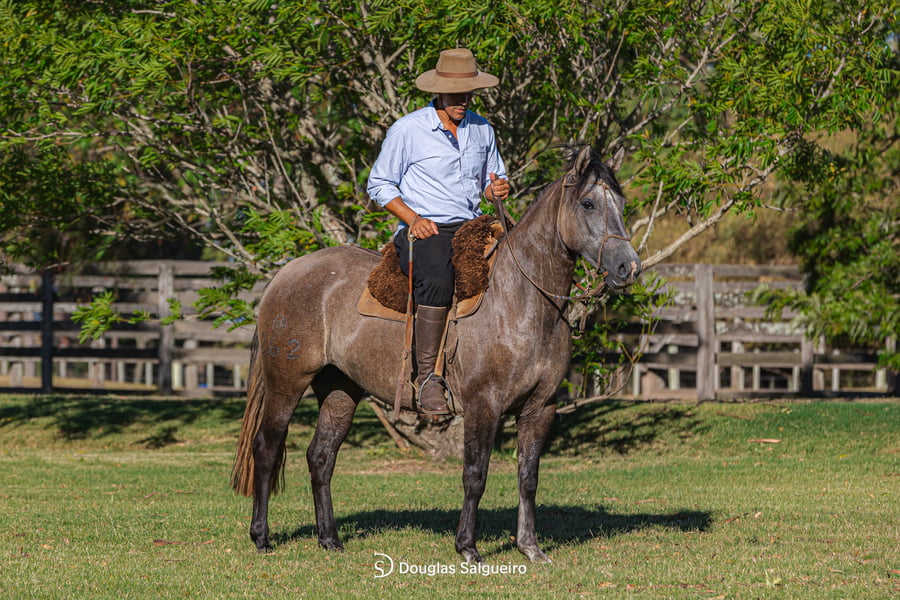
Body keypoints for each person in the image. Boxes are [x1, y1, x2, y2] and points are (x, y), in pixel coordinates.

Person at [367, 48, 510, 415]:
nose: (463, 100)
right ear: (439, 92)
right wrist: (413, 219)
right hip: (427, 228)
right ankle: (428, 377)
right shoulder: (408, 130)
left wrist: (495, 190)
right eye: (456, 94)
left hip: (473, 224)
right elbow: (380, 185)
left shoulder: (482, 129)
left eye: (468, 93)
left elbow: (490, 180)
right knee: (438, 279)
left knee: (519, 263)